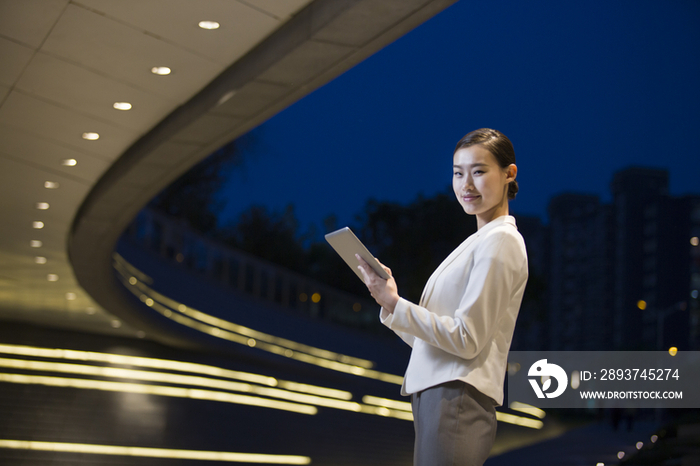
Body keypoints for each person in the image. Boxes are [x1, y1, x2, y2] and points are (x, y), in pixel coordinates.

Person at [357, 128, 528, 465]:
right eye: (457, 173)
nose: (466, 185)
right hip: (441, 394)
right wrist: (389, 302)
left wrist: (396, 304)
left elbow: (466, 339)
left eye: (478, 172)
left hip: (457, 396)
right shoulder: (480, 241)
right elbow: (438, 340)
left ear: (509, 174)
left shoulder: (501, 241)